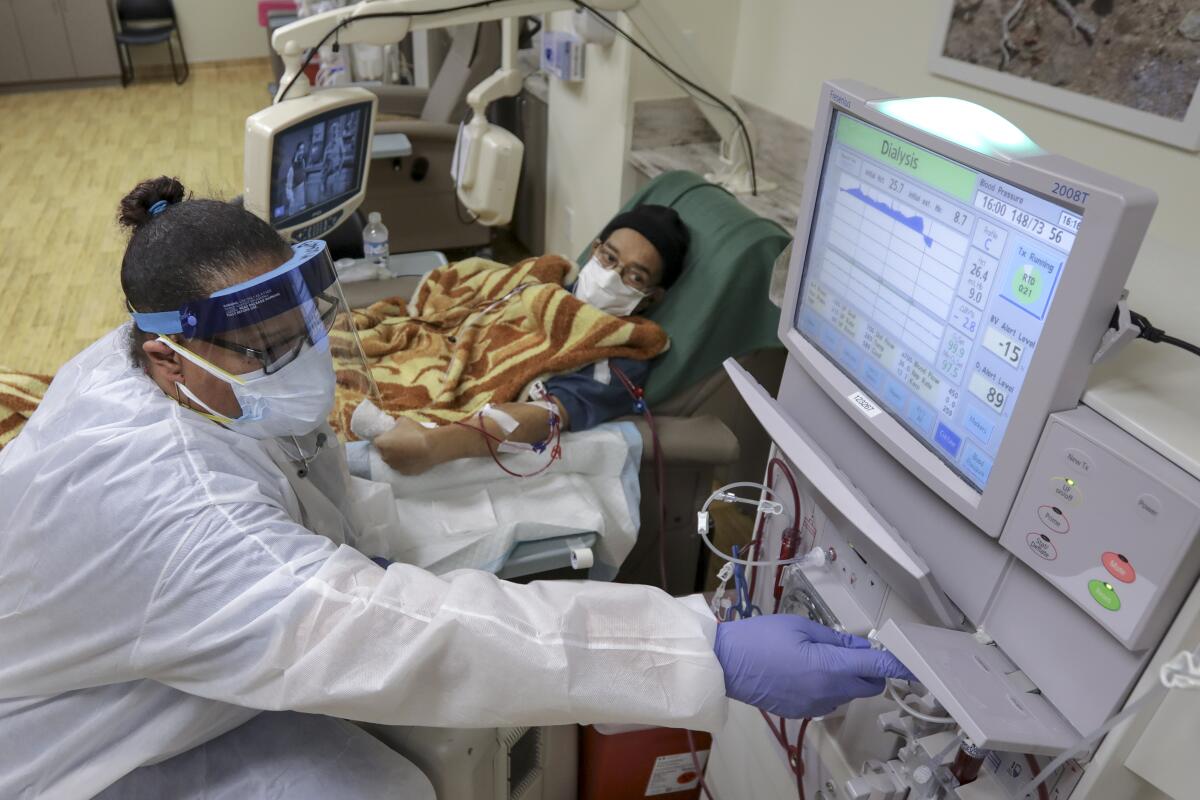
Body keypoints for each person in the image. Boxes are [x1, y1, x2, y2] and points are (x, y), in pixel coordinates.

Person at [0, 177, 913, 799]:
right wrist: (701, 651)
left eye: (306, 324)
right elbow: (404, 636)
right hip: (62, 741)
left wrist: (367, 434)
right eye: (270, 348)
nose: (306, 359)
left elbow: (303, 458)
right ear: (169, 356)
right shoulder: (175, 515)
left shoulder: (148, 365)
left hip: (124, 661)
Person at [373, 204, 689, 475]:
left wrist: (435, 445)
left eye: (634, 276)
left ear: (651, 297)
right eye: (609, 257)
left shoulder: (622, 355)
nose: (611, 276)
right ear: (595, 249)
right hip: (419, 354)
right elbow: (469, 296)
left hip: (439, 406)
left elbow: (544, 417)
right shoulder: (543, 279)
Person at [285, 140, 308, 215]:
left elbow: (303, 175)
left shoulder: (303, 162)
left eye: (303, 149)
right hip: (294, 198)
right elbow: (288, 187)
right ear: (297, 151)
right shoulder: (291, 169)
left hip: (302, 195)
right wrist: (292, 200)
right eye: (300, 150)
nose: (302, 152)